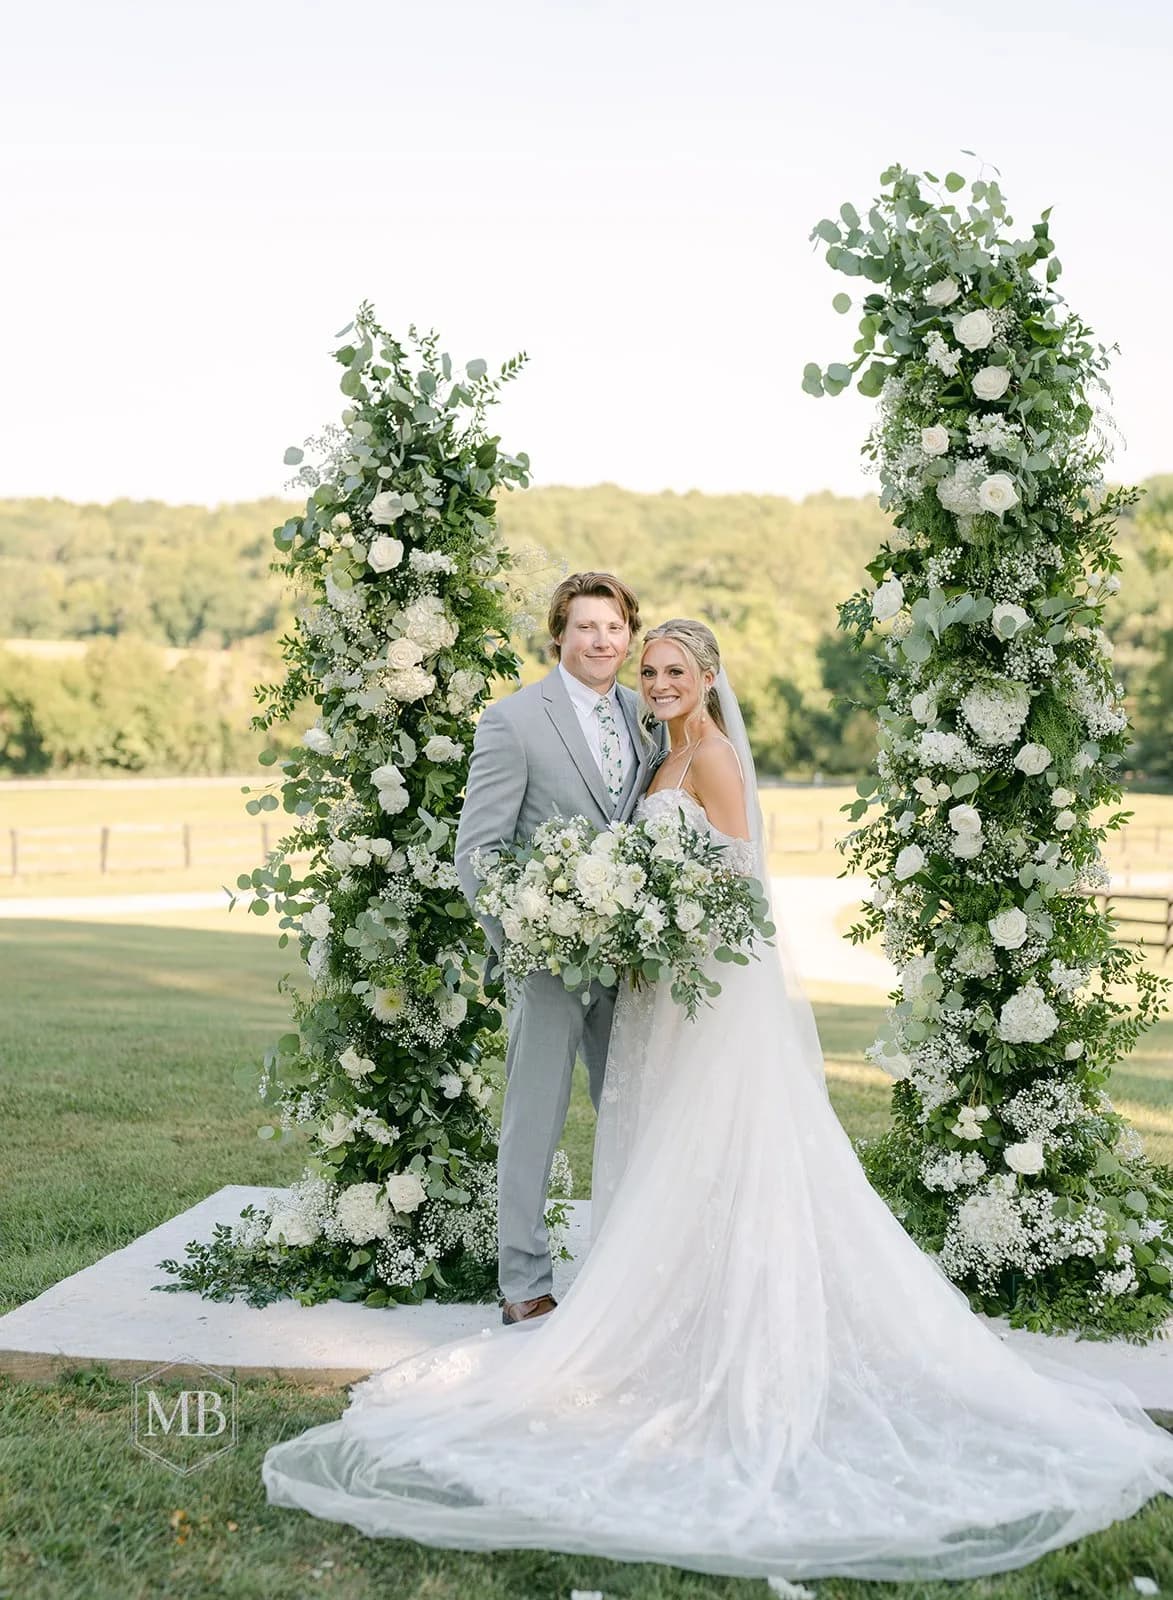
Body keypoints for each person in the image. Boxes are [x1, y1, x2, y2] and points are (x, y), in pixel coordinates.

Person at [263, 620, 1173, 1583]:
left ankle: (726, 1315)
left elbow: (741, 882)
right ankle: (668, 1297)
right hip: (660, 983)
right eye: (647, 668)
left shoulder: (715, 757)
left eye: (672, 669)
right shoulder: (665, 752)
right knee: (663, 1147)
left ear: (708, 677)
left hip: (708, 991)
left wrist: (662, 906)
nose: (655, 681)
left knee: (721, 1143)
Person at [452, 570, 661, 1324]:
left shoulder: (651, 714)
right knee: (533, 1120)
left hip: (635, 962)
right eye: (585, 627)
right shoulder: (512, 721)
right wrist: (526, 937)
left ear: (628, 635)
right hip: (545, 962)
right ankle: (523, 1284)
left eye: (613, 628)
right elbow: (476, 851)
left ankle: (628, 1271)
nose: (601, 641)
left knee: (634, 1116)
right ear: (558, 635)